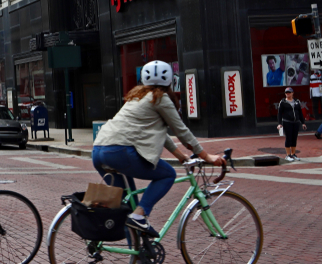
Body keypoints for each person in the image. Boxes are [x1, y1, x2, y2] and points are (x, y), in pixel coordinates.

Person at [93, 60, 224, 237]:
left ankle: (138, 258)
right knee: (167, 174)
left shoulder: (137, 97)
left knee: (127, 209)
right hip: (120, 152)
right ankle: (141, 215)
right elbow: (181, 131)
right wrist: (206, 156)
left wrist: (180, 156)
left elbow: (162, 134)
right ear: (170, 80)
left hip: (99, 151)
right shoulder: (160, 98)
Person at [276, 87, 306, 162]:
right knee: (288, 138)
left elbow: (300, 112)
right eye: (286, 93)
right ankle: (288, 155)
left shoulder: (297, 101)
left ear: (292, 93)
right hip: (287, 122)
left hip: (296, 122)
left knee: (294, 138)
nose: (287, 94)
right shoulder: (283, 102)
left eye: (289, 92)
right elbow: (279, 113)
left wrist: (303, 123)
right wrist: (279, 123)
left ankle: (293, 154)